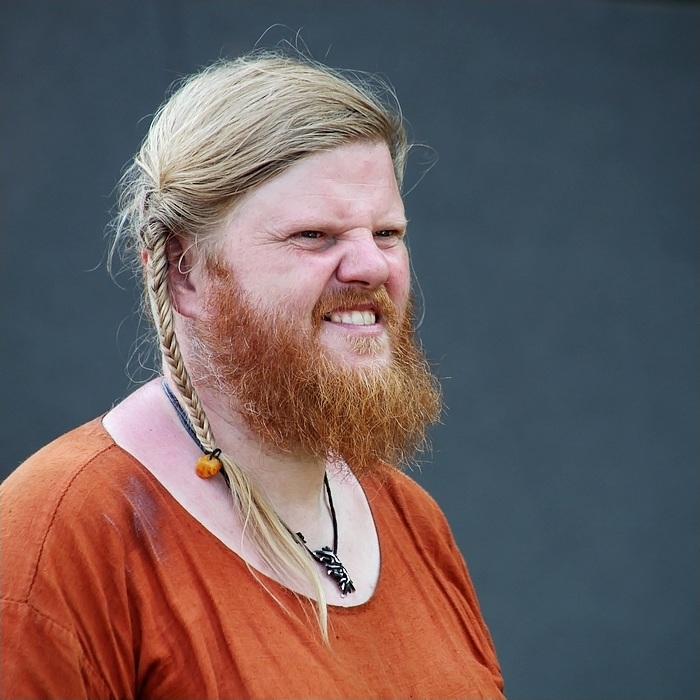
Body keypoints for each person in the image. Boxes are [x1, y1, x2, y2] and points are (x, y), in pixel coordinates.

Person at [1, 52, 504, 699]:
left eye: (387, 232)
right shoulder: (55, 535)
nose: (372, 266)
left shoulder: (412, 520)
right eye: (314, 235)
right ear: (184, 271)